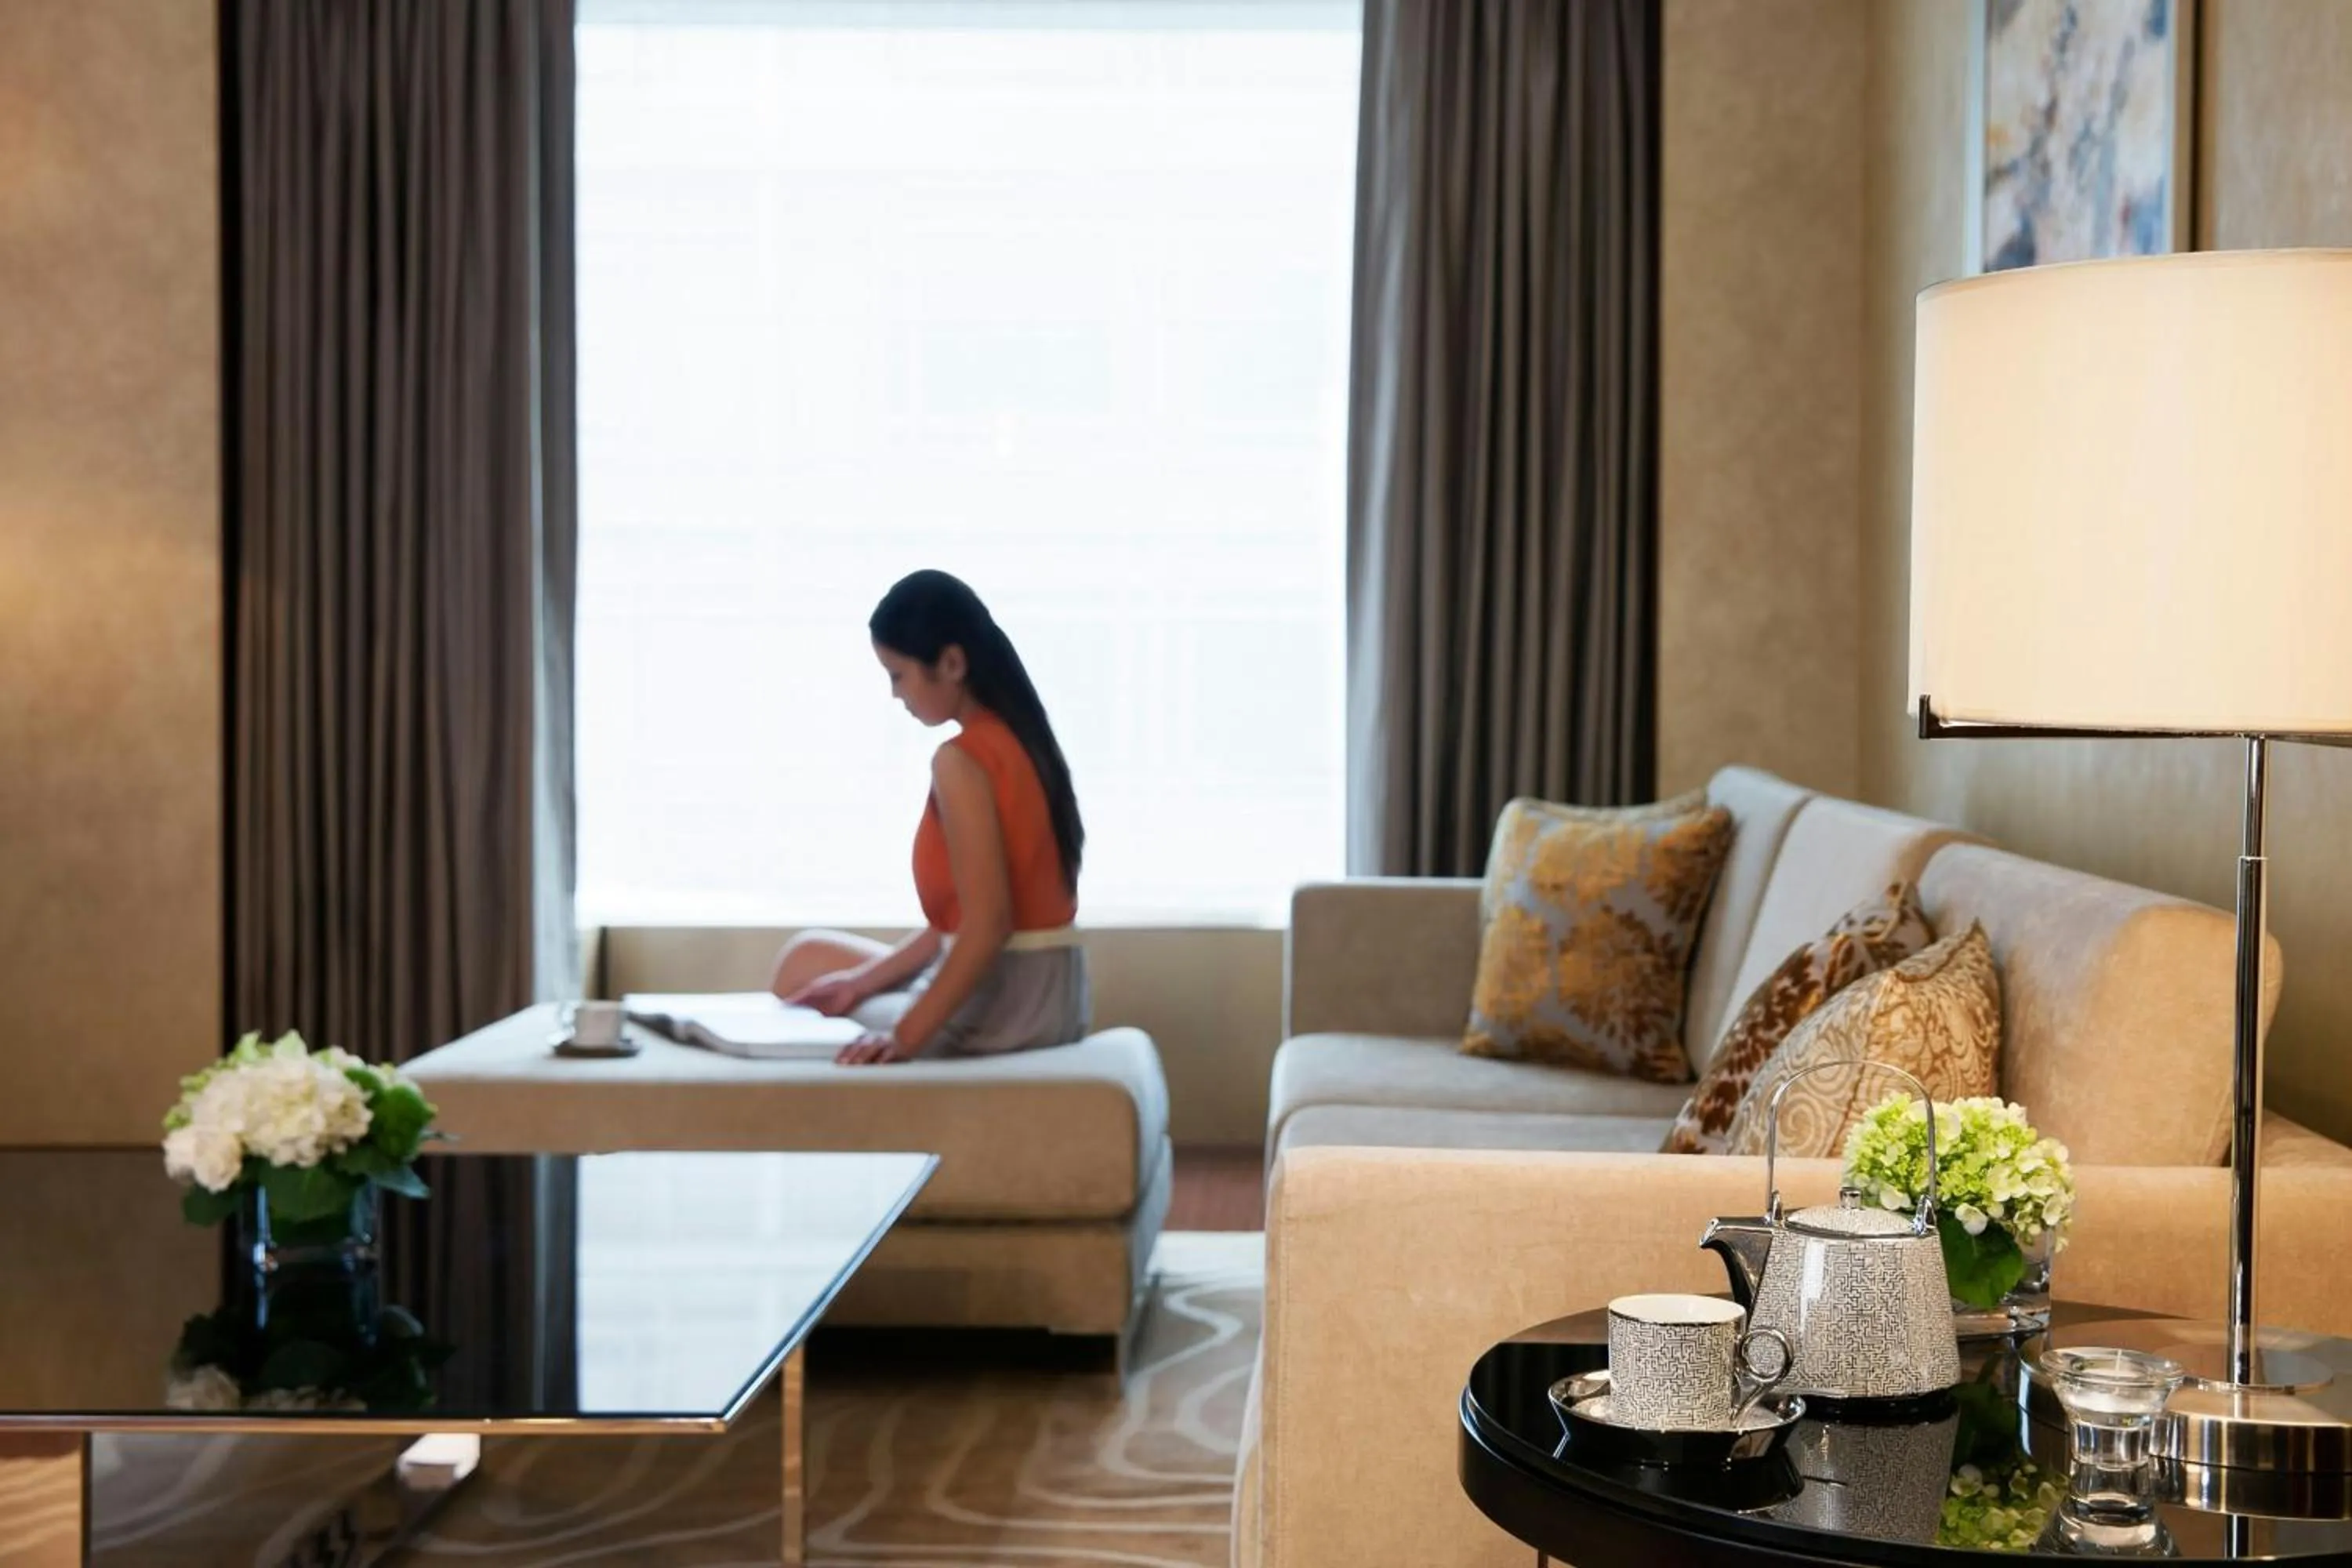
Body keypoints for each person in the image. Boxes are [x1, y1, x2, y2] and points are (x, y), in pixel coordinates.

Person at [769, 570, 1091, 1065]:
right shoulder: (1022, 742)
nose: (896, 694)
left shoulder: (960, 761)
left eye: (898, 675)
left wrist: (903, 1036)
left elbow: (988, 927)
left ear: (952, 663)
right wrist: (858, 984)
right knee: (809, 958)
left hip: (1010, 1007)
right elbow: (962, 925)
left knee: (799, 977)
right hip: (1051, 995)